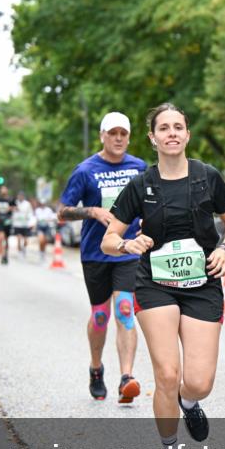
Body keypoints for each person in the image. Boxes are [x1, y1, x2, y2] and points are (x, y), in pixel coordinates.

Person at [101, 103, 225, 449]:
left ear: (187, 134)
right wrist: (127, 244)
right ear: (153, 138)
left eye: (178, 126)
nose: (172, 133)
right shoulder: (140, 184)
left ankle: (189, 400)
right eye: (164, 128)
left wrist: (223, 249)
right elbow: (108, 239)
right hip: (155, 284)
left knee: (197, 381)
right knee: (166, 373)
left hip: (202, 284)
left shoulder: (207, 177)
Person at [59, 112, 147, 403]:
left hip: (127, 251)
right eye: (113, 133)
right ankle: (96, 369)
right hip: (96, 253)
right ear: (102, 136)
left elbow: (150, 203)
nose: (118, 138)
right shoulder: (85, 170)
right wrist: (92, 211)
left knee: (124, 310)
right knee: (100, 315)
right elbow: (63, 212)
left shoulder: (139, 168)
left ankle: (126, 378)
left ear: (129, 137)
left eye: (123, 133)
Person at [0, 185, 14, 265]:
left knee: (6, 240)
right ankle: (2, 256)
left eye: (4, 189)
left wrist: (9, 209)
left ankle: (6, 254)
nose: (3, 190)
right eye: (2, 189)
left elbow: (15, 208)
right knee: (1, 238)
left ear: (7, 190)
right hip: (0, 220)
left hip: (7, 221)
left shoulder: (10, 199)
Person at [11, 191, 34, 257]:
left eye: (21, 196)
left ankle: (24, 249)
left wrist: (30, 222)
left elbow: (30, 213)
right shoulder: (15, 203)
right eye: (19, 196)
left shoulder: (27, 204)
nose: (20, 197)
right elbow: (12, 212)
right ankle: (19, 251)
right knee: (18, 238)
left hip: (25, 224)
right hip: (17, 224)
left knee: (26, 240)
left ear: (23, 196)